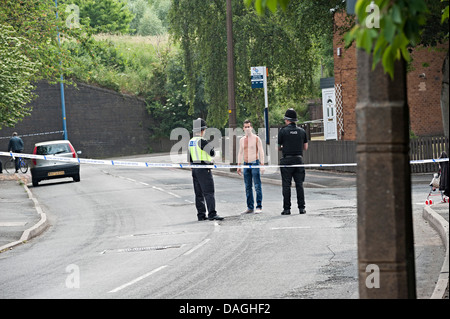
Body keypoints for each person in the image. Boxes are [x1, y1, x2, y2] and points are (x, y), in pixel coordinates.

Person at [188, 118, 224, 221]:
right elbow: (212, 153)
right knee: (209, 192)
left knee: (198, 193)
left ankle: (201, 215)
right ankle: (212, 214)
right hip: (204, 169)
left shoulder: (191, 141)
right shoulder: (202, 141)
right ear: (203, 130)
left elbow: (190, 158)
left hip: (195, 168)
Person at [278, 108, 308, 215]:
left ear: (287, 120)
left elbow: (278, 147)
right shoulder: (302, 131)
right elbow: (305, 147)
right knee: (299, 184)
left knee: (286, 185)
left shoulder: (282, 131)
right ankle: (301, 208)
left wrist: (284, 147)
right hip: (298, 160)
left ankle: (287, 209)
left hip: (287, 160)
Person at [237, 120, 265, 214]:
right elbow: (240, 152)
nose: (248, 129)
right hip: (246, 164)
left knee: (257, 185)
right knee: (248, 186)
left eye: (249, 126)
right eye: (246, 127)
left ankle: (259, 206)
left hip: (255, 163)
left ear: (251, 128)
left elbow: (261, 151)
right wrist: (238, 165)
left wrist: (262, 164)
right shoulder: (241, 140)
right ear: (243, 128)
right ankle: (250, 207)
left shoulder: (256, 138)